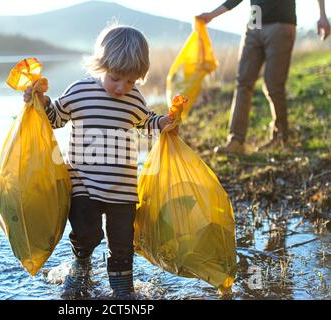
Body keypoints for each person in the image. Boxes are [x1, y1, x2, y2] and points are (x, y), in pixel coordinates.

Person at [23, 25, 178, 299]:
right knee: (86, 233)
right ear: (101, 65)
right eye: (116, 78)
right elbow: (55, 118)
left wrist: (163, 123)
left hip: (123, 189)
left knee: (122, 242)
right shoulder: (80, 91)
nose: (122, 88)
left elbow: (147, 123)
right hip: (84, 183)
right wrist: (40, 100)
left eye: (131, 81)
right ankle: (81, 265)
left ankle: (122, 286)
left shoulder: (134, 99)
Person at [197, 0, 330, 154]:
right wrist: (212, 15)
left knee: (273, 85)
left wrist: (322, 15)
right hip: (254, 25)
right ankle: (236, 141)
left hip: (280, 25)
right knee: (243, 83)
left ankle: (280, 137)